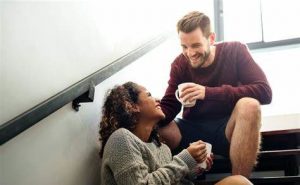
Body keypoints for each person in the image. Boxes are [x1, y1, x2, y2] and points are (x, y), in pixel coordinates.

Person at [158, 11, 272, 178]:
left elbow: (264, 91)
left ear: (211, 39)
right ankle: (167, 178)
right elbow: (170, 106)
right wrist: (144, 116)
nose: (190, 53)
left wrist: (207, 92)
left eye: (196, 45)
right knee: (155, 122)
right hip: (191, 131)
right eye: (184, 47)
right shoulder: (179, 64)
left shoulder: (235, 51)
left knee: (249, 105)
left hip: (228, 130)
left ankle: (238, 181)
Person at [99, 82, 253, 185]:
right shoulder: (121, 139)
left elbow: (171, 179)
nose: (158, 99)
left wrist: (195, 166)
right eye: (149, 95)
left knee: (239, 182)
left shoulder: (161, 147)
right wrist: (185, 159)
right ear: (131, 106)